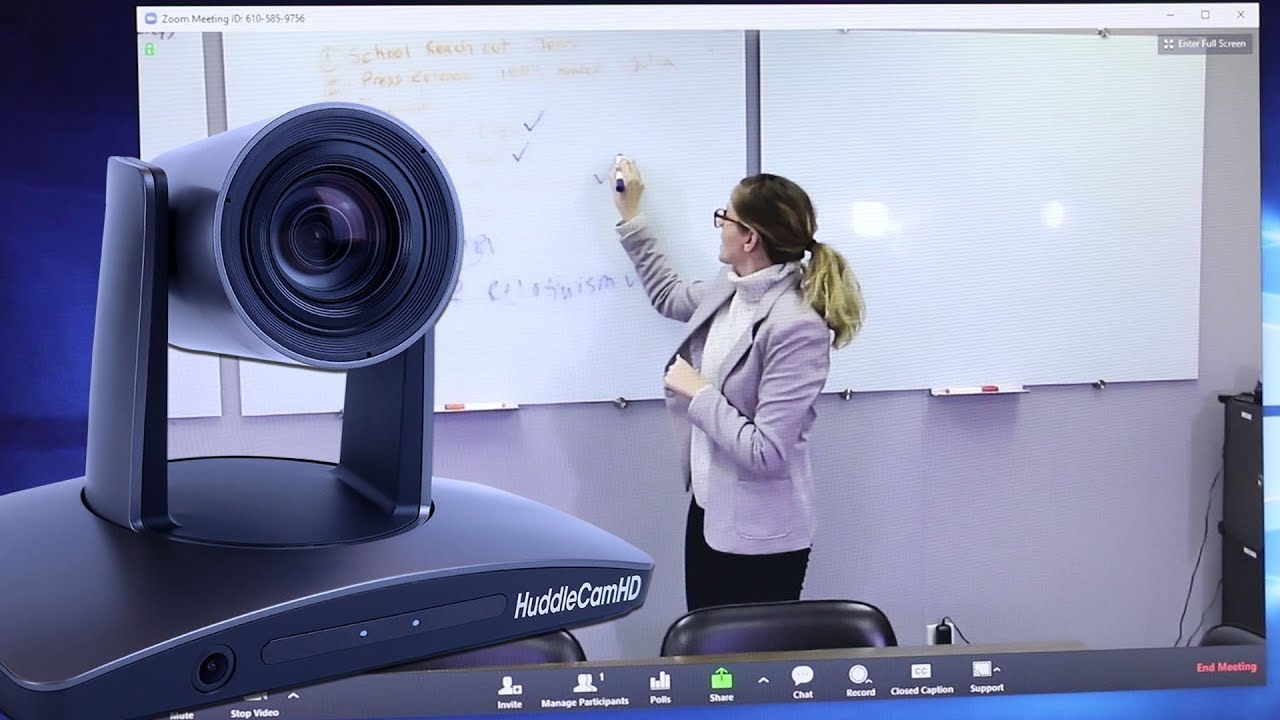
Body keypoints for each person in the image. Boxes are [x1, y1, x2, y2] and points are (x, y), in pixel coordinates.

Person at [611, 159, 866, 613]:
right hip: (710, 513)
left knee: (751, 656)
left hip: (760, 537)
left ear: (749, 238)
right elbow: (668, 295)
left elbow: (767, 451)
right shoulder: (730, 290)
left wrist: (699, 393)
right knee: (706, 648)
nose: (720, 226)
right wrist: (631, 214)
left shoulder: (796, 326)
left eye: (724, 217)